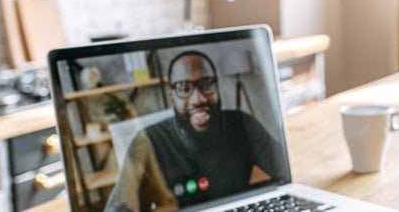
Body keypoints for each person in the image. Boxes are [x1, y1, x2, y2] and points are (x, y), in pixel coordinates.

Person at [106, 51, 285, 211]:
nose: (198, 99)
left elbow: (282, 176)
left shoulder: (242, 123)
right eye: (184, 88)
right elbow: (120, 205)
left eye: (207, 84)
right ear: (172, 97)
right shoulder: (147, 141)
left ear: (217, 87)